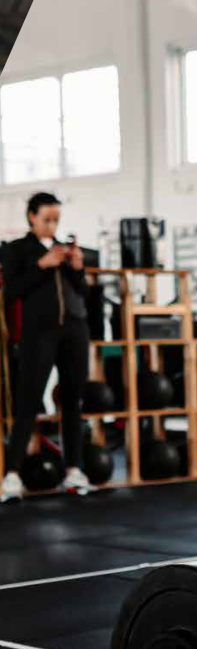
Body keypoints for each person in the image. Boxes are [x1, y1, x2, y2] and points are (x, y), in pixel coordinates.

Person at [0, 192, 93, 502]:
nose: (52, 225)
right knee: (28, 401)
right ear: (31, 217)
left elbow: (83, 292)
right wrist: (42, 265)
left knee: (72, 402)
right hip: (39, 334)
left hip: (74, 331)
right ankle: (12, 474)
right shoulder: (17, 250)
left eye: (56, 220)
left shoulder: (64, 249)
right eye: (47, 220)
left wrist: (78, 268)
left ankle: (74, 470)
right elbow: (10, 291)